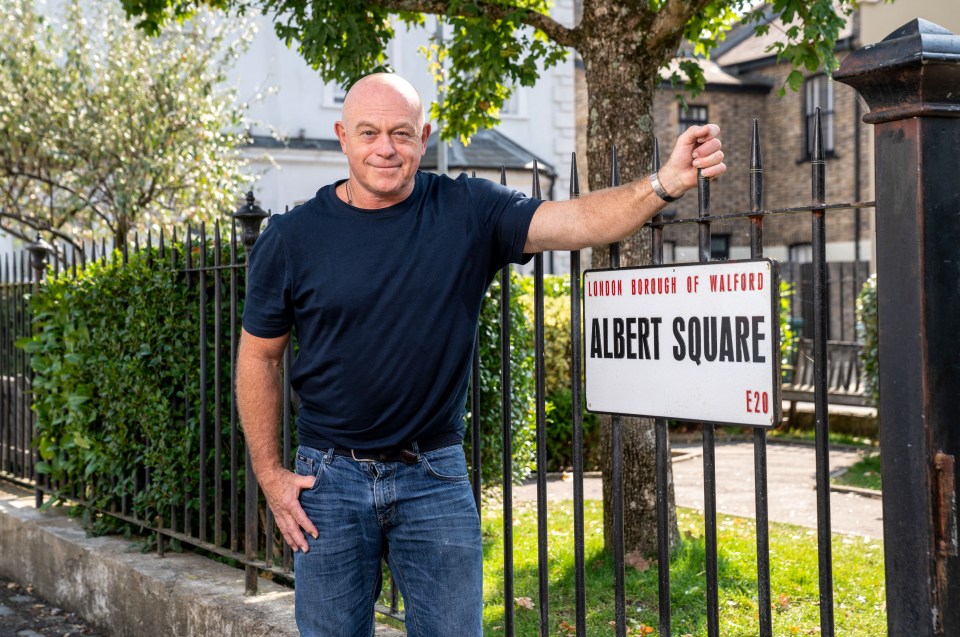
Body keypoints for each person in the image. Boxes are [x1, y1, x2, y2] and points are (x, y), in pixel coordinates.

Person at [236, 72, 725, 637]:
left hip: (433, 476)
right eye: (369, 133)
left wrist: (664, 183)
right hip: (328, 482)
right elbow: (259, 358)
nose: (386, 148)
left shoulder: (466, 210)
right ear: (343, 136)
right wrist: (270, 473)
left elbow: (577, 221)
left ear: (424, 135)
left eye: (401, 132)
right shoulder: (293, 236)